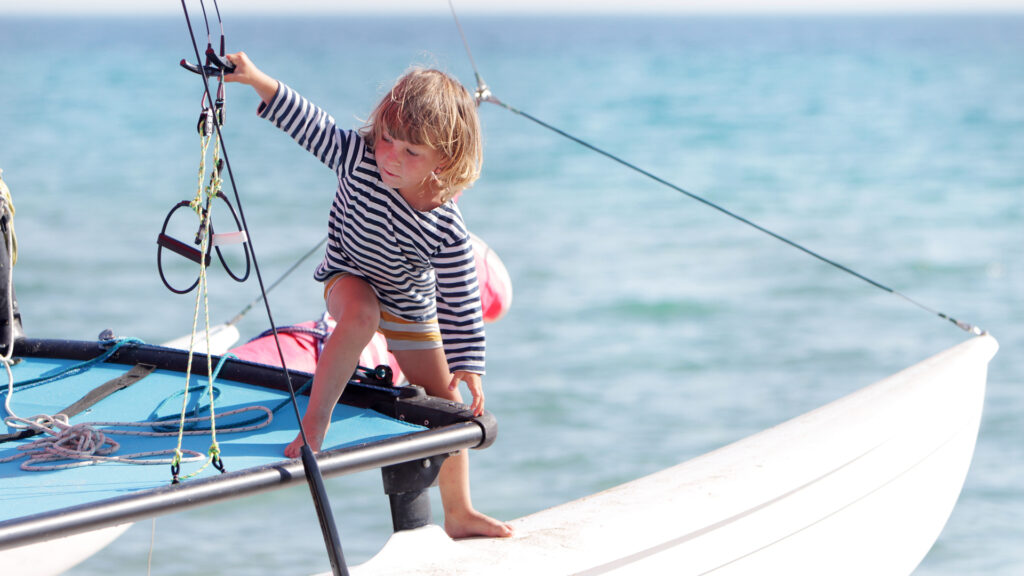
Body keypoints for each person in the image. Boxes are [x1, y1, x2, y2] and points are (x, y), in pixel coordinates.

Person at [224, 52, 512, 539]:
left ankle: (459, 512)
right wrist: (256, 80)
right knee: (359, 315)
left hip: (408, 307)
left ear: (444, 157)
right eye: (386, 139)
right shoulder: (356, 157)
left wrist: (468, 362)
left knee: (447, 402)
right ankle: (315, 424)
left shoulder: (446, 225)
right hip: (348, 275)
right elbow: (309, 120)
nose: (390, 157)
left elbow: (460, 294)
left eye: (411, 152)